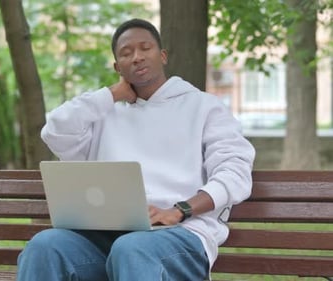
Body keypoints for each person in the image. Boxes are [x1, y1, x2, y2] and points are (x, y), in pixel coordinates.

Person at [17, 18, 255, 281]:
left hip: (181, 235)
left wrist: (179, 210)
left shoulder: (205, 107)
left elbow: (235, 173)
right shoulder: (105, 115)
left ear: (162, 55)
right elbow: (55, 131)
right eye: (126, 53)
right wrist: (111, 95)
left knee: (131, 248)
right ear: (118, 66)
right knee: (45, 246)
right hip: (105, 237)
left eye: (145, 48)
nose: (137, 57)